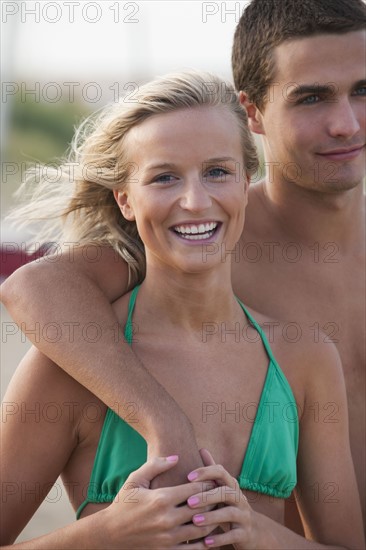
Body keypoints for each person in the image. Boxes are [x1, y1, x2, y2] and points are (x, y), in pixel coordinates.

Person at [1, 0, 365, 533]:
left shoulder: (303, 351)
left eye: (364, 90)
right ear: (253, 112)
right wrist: (162, 418)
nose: (346, 122)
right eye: (311, 97)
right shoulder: (202, 244)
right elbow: (36, 285)